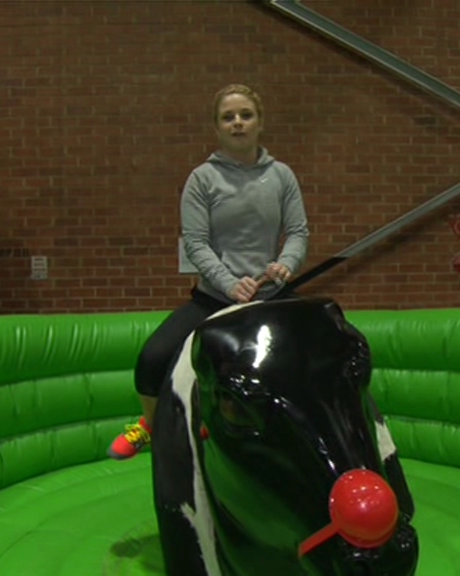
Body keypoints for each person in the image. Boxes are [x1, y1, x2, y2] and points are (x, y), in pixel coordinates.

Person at [107, 83, 310, 460]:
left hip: (270, 295)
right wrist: (230, 285)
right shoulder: (202, 179)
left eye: (246, 115)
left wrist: (287, 263)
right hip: (215, 297)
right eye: (228, 117)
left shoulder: (282, 176)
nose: (238, 123)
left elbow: (298, 231)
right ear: (217, 128)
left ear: (260, 122)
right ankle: (151, 424)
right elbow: (197, 243)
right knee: (152, 359)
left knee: (316, 348)